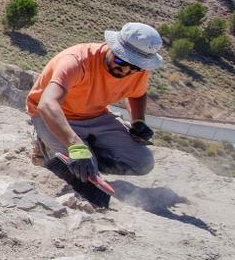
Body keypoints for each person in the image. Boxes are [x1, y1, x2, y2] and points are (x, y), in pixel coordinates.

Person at [27, 22, 163, 182]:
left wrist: (138, 121)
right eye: (121, 61)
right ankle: (46, 144)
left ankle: (89, 158)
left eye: (134, 68)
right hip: (54, 117)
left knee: (143, 163)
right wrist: (75, 145)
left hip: (96, 117)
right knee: (78, 172)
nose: (126, 70)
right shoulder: (77, 61)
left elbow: (138, 93)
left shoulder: (138, 70)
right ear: (112, 46)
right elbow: (47, 104)